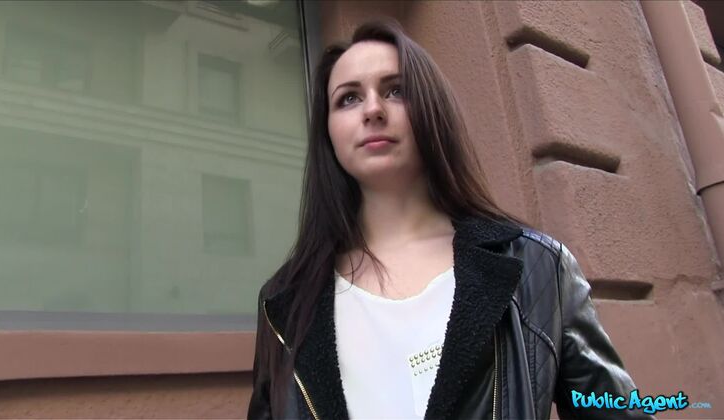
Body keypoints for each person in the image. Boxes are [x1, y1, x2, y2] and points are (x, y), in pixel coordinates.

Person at [248, 19, 652, 419]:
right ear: (328, 132)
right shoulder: (284, 304)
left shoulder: (538, 268)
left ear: (432, 109)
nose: (372, 110)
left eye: (396, 90)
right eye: (348, 98)